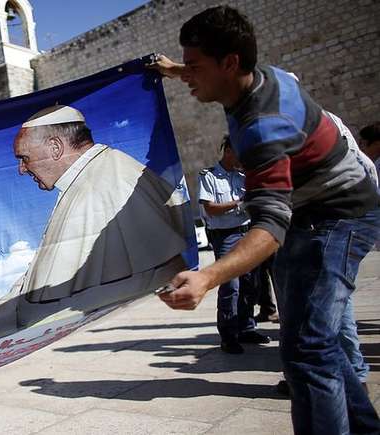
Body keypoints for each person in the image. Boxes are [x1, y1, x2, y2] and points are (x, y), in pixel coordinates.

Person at [149, 6, 380, 434]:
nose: (190, 78)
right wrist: (175, 69)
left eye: (196, 68)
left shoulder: (262, 128)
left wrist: (208, 277)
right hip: (313, 210)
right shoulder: (267, 74)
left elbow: (271, 225)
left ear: (230, 63)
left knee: (307, 351)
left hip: (340, 213)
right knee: (317, 340)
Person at [0, 105, 189, 337]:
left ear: (55, 147)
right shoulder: (89, 178)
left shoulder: (107, 184)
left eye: (24, 158)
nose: (21, 169)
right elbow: (42, 279)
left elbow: (91, 296)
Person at [198, 137, 269, 353]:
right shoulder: (208, 176)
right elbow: (210, 208)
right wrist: (239, 203)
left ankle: (246, 327)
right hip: (226, 235)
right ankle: (228, 335)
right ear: (228, 151)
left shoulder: (242, 176)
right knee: (231, 285)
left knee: (251, 283)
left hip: (248, 232)